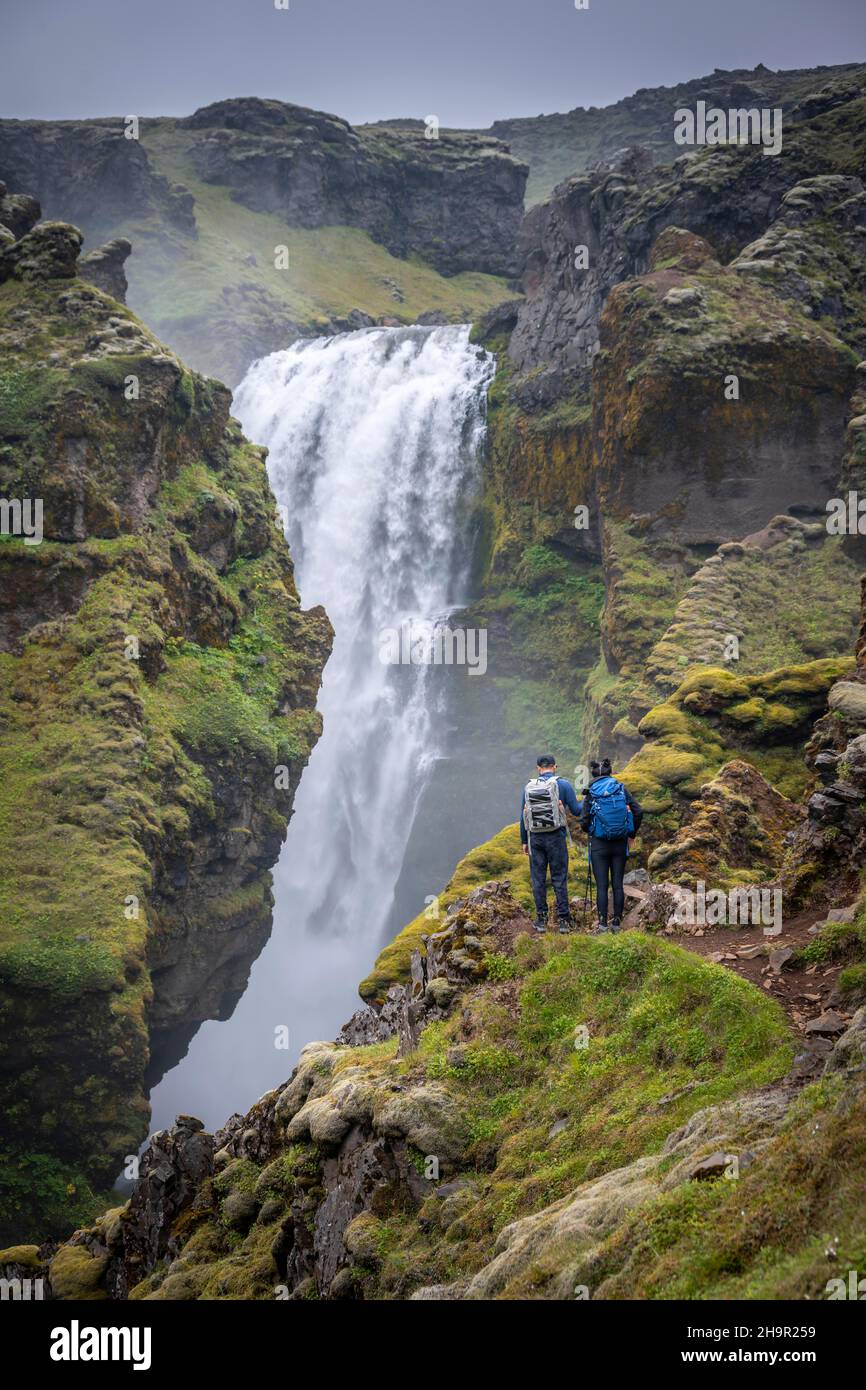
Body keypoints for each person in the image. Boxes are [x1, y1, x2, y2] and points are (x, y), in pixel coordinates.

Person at [579, 757, 643, 934]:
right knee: (617, 885)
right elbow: (638, 811)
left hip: (599, 844)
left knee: (601, 885)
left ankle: (602, 925)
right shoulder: (621, 788)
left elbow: (583, 821)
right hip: (620, 843)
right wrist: (631, 833)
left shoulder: (591, 792)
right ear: (611, 772)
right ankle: (616, 923)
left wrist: (593, 829)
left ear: (593, 774)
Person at [520, 755, 582, 934]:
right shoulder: (563, 785)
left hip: (536, 839)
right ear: (555, 767)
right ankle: (563, 921)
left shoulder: (529, 787)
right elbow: (577, 811)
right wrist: (588, 799)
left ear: (538, 768)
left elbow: (522, 816)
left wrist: (525, 841)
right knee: (559, 878)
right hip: (556, 837)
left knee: (538, 879)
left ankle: (541, 920)